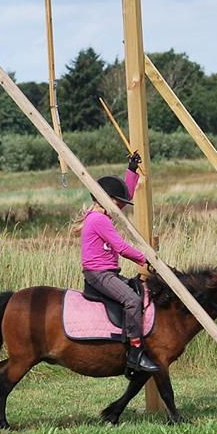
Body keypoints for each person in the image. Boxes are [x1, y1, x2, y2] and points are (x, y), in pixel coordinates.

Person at [81, 151, 160, 374]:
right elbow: (121, 248)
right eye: (118, 202)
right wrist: (147, 259)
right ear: (108, 200)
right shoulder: (99, 220)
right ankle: (135, 353)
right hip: (99, 274)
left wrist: (131, 171)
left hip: (108, 272)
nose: (121, 206)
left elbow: (124, 196)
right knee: (133, 301)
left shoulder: (102, 214)